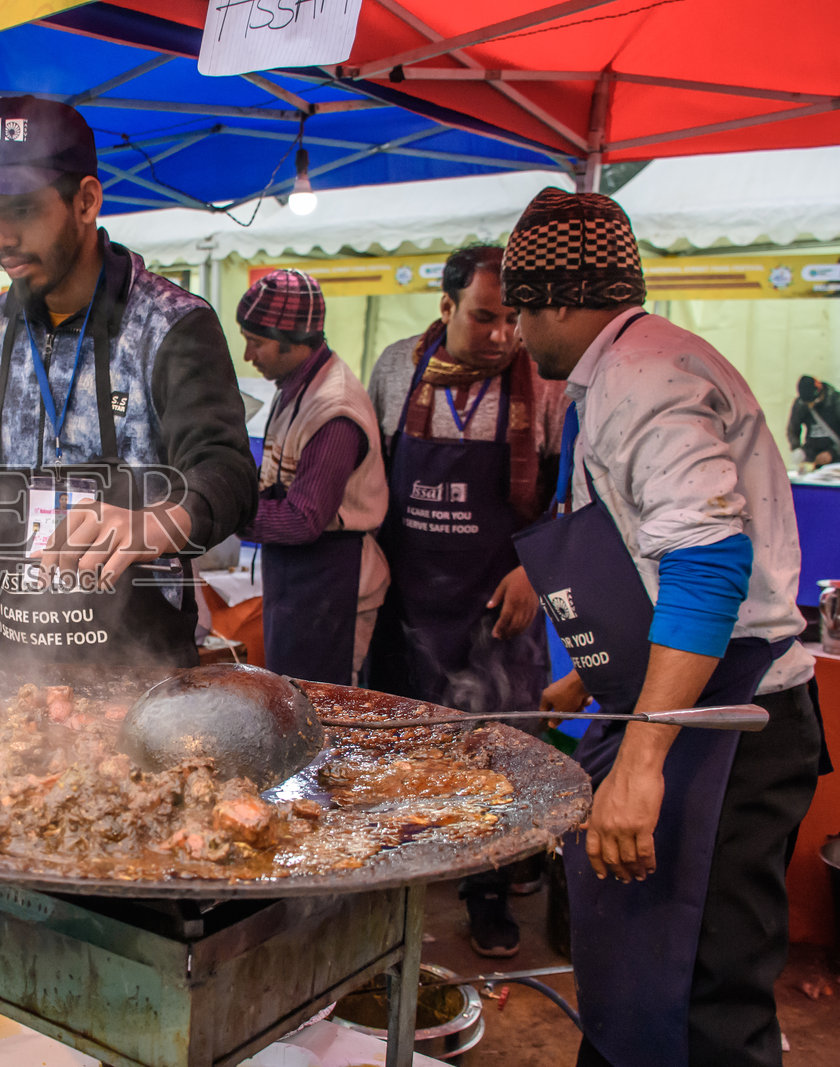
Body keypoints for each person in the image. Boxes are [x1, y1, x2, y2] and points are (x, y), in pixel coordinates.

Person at [502, 187, 824, 1067]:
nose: (516, 335)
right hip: (678, 704)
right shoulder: (621, 371)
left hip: (725, 732)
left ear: (563, 299)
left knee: (701, 999)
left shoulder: (645, 380)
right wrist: (592, 678)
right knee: (637, 984)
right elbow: (642, 553)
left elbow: (710, 564)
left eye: (523, 310)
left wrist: (641, 760)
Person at [0, 94, 256, 666]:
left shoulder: (171, 323)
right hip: (16, 665)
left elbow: (228, 472)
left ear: (85, 201)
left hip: (141, 665)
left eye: (22, 211)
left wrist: (154, 521)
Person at [365, 245, 566, 957]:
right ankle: (403, 875)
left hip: (496, 596)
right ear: (446, 306)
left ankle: (488, 890)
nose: (502, 334)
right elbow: (375, 474)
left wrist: (533, 568)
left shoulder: (543, 382)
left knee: (497, 747)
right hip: (412, 596)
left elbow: (566, 492)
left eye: (513, 318)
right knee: (408, 742)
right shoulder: (396, 368)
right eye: (485, 316)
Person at [238, 269, 388, 686]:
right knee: (290, 698)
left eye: (256, 342)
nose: (248, 355)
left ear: (294, 341)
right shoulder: (294, 384)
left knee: (325, 711)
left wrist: (224, 516)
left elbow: (303, 521)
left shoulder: (334, 408)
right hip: (297, 580)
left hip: (331, 581)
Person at [787, 374, 839, 466]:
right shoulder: (801, 403)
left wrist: (832, 452)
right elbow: (793, 429)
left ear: (820, 391)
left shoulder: (836, 401)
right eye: (808, 403)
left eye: (813, 401)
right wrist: (797, 449)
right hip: (812, 456)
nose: (810, 405)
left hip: (835, 458)